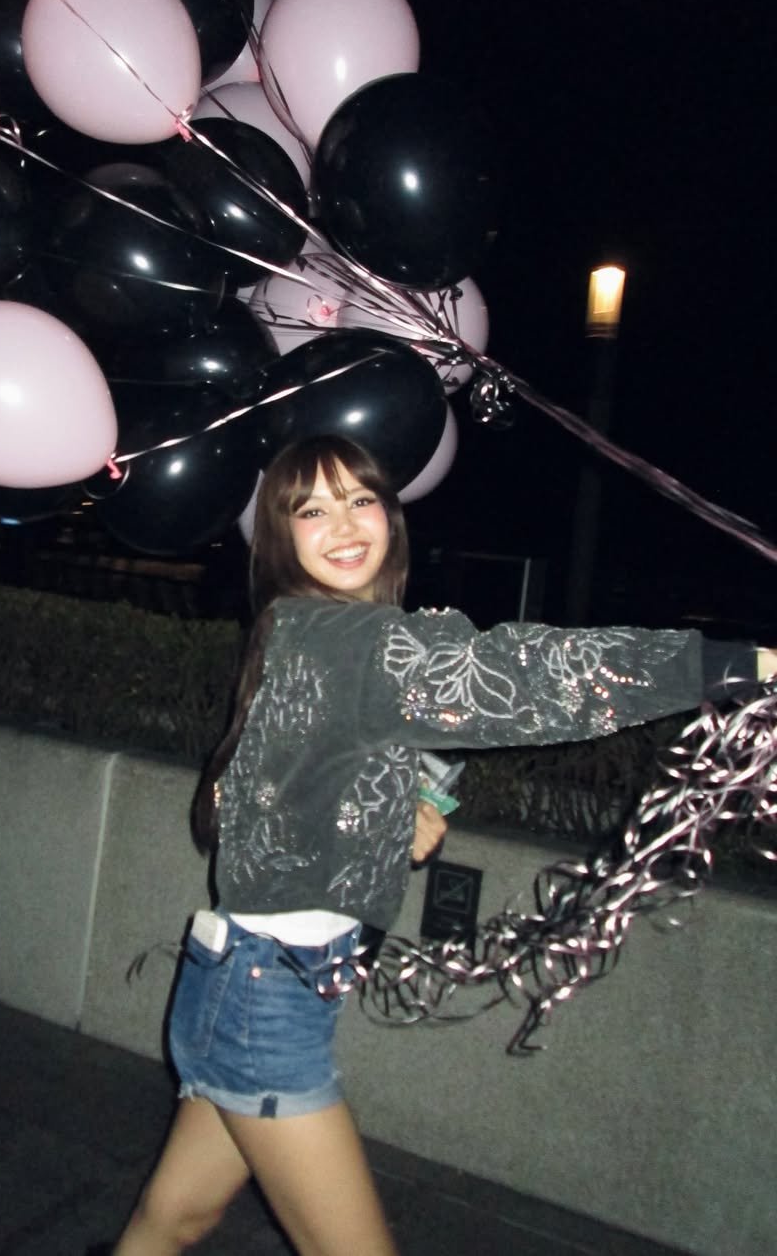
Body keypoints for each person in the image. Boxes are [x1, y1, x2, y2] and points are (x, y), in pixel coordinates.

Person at [108, 434, 774, 1256]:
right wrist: (738, 664)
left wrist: (400, 806)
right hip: (264, 996)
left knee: (173, 1218)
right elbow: (524, 677)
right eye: (311, 510)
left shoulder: (302, 629)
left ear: (390, 513)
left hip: (247, 979)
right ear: (279, 536)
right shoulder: (350, 642)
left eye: (361, 499)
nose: (344, 525)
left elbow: (281, 789)